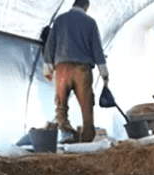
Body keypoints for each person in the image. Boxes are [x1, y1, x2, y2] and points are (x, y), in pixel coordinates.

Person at [42, 0, 109, 144]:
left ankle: (66, 133)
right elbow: (97, 49)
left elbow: (50, 44)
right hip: (82, 70)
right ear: (85, 6)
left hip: (62, 69)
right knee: (86, 106)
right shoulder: (90, 22)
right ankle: (87, 139)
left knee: (61, 105)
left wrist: (47, 67)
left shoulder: (59, 20)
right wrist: (104, 73)